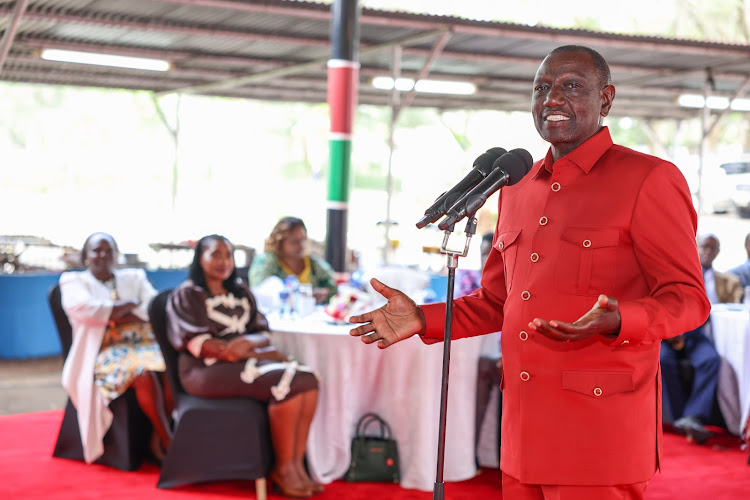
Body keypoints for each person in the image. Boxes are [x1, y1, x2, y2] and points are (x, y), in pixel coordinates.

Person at [349, 45, 710, 499]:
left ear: (607, 98)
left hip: (597, 436)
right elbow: (499, 302)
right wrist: (424, 318)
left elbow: (689, 299)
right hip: (522, 431)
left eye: (571, 85)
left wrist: (622, 318)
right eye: (541, 88)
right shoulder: (516, 189)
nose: (552, 99)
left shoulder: (649, 178)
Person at [166, 234, 321, 498]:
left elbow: (262, 331)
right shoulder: (188, 294)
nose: (224, 261)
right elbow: (198, 343)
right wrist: (234, 351)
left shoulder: (240, 290)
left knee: (309, 380)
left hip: (241, 361)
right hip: (204, 371)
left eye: (228, 255)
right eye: (215, 254)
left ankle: (295, 467)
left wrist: (245, 343)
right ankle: (282, 469)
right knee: (290, 382)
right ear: (199, 258)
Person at [59, 232, 172, 464]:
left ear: (116, 254)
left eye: (108, 250)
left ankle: (155, 437)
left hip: (145, 344)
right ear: (86, 256)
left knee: (173, 367)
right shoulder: (73, 281)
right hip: (103, 351)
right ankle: (169, 441)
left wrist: (112, 313)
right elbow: (85, 309)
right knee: (144, 373)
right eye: (96, 251)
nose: (103, 255)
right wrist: (129, 305)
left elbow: (154, 307)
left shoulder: (134, 277)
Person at [661, 233, 739, 444]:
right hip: (668, 332)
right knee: (662, 360)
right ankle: (680, 417)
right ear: (695, 248)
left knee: (711, 360)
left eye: (713, 248)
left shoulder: (725, 280)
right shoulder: (678, 272)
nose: (708, 252)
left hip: (695, 333)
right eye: (704, 246)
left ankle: (694, 416)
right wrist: (669, 329)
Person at [250, 217, 337, 304]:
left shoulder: (314, 264)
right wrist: (306, 295)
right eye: (294, 241)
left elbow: (332, 289)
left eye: (303, 240)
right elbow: (260, 293)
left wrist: (324, 294)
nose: (301, 245)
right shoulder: (266, 262)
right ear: (280, 241)